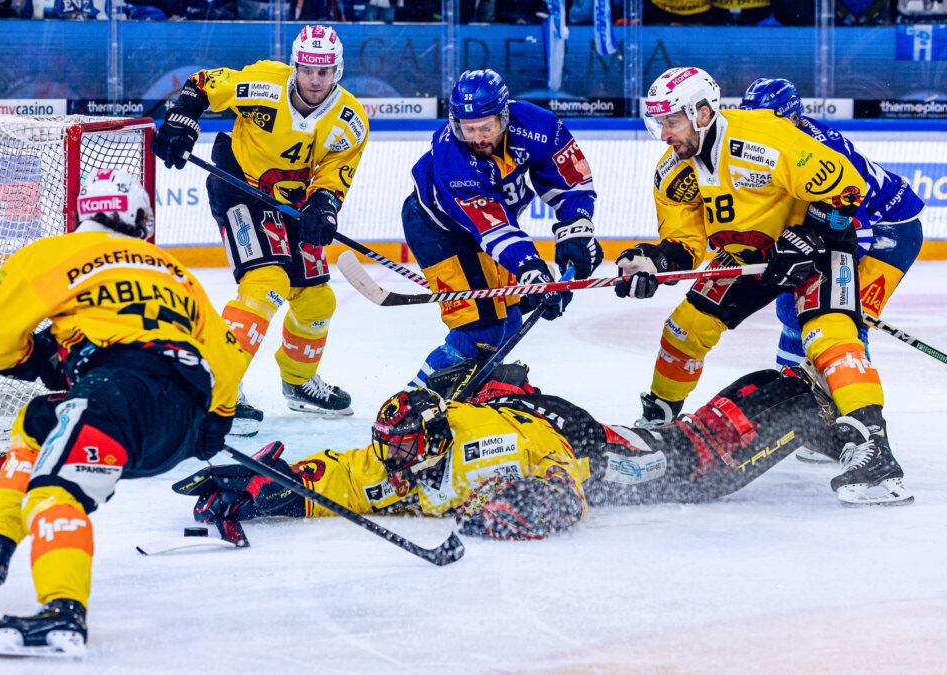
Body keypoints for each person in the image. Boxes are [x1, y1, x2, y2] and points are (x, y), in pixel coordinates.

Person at [0, 170, 249, 658]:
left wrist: (35, 358)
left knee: (56, 491)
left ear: (84, 214)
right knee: (37, 423)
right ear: (139, 220)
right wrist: (214, 422)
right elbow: (225, 361)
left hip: (116, 394)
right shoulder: (174, 270)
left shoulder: (55, 253)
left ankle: (61, 616)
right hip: (179, 418)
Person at [615, 66, 911, 506]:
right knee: (686, 326)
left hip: (819, 244)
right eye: (658, 122)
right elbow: (684, 243)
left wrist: (810, 236)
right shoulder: (672, 173)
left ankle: (876, 451)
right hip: (750, 252)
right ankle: (659, 417)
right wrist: (651, 261)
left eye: (670, 121)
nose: (663, 135)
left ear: (701, 112)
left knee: (828, 333)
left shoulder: (764, 138)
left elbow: (849, 190)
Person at [175, 364, 830, 541]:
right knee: (687, 461)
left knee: (687, 464)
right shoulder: (394, 458)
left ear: (433, 439)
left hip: (567, 436)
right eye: (390, 449)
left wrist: (546, 501)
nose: (394, 463)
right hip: (510, 408)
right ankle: (799, 397)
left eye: (405, 448)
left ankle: (803, 401)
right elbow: (345, 475)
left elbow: (563, 470)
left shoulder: (493, 447)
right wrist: (277, 486)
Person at [152, 24, 369, 425]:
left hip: (293, 204)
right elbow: (202, 84)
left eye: (324, 71)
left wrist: (324, 206)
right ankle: (216, 386)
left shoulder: (351, 121)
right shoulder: (263, 84)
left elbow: (334, 175)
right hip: (240, 188)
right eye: (308, 69)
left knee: (318, 300)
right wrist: (183, 119)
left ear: (337, 71)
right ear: (295, 66)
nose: (315, 80)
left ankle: (299, 381)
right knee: (266, 284)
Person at [403, 68, 601, 388]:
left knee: (508, 322)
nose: (478, 138)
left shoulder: (539, 127)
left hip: (490, 231)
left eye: (487, 126)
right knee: (480, 330)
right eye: (468, 129)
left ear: (504, 116)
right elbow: (493, 229)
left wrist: (576, 227)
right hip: (438, 230)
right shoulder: (452, 159)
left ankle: (474, 395)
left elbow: (571, 181)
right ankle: (412, 403)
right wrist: (532, 269)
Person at [739, 78, 925, 376]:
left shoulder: (824, 151)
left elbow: (855, 233)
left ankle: (855, 408)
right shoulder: (761, 144)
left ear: (792, 117)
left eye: (766, 119)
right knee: (792, 311)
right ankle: (791, 394)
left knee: (845, 318)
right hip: (832, 226)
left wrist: (837, 285)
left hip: (889, 232)